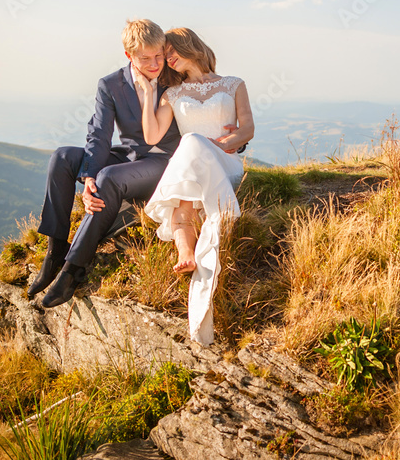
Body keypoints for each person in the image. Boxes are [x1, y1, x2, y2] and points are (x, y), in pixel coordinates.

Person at [29, 19, 183, 308]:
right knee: (62, 157)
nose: (154, 64)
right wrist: (89, 178)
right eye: (145, 58)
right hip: (126, 156)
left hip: (162, 162)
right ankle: (55, 251)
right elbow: (99, 134)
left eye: (159, 56)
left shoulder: (175, 77)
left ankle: (73, 270)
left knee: (110, 177)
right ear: (129, 56)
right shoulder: (111, 84)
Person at [141, 27, 254, 345]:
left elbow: (247, 128)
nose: (167, 57)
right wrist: (149, 93)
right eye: (165, 54)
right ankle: (186, 253)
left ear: (188, 44)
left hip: (224, 162)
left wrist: (223, 143)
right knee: (189, 149)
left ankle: (188, 246)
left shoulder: (233, 84)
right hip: (193, 164)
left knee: (192, 142)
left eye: (171, 49)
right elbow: (152, 136)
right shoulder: (171, 94)